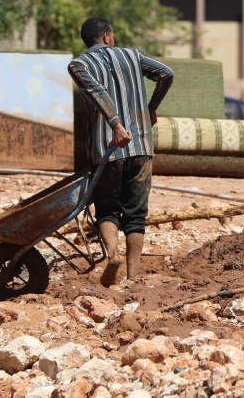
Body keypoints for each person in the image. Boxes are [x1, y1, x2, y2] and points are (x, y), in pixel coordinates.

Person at [68, 18, 174, 287]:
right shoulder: (132, 55)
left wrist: (114, 124)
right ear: (106, 37)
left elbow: (95, 91)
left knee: (107, 211)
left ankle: (113, 255)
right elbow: (166, 73)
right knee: (137, 214)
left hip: (107, 150)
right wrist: (151, 107)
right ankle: (132, 276)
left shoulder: (79, 64)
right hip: (141, 147)